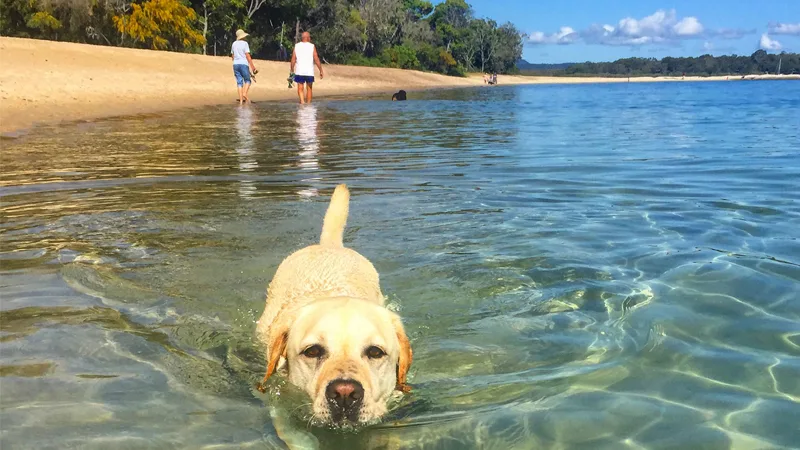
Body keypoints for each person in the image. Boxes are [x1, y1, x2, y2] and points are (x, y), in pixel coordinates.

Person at [291, 32, 324, 104]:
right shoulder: (312, 46)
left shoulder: (297, 46)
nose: (310, 38)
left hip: (300, 71)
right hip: (309, 72)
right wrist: (321, 70)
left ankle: (302, 102)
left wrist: (292, 70)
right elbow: (316, 58)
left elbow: (293, 59)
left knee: (300, 88)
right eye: (310, 37)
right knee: (309, 89)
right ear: (308, 38)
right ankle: (308, 104)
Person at [231, 29, 257, 105]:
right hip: (243, 64)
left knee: (239, 82)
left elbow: (232, 56)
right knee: (248, 80)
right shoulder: (245, 44)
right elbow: (248, 56)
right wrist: (253, 67)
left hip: (235, 64)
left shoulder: (234, 44)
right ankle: (244, 94)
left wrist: (236, 61)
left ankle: (241, 102)